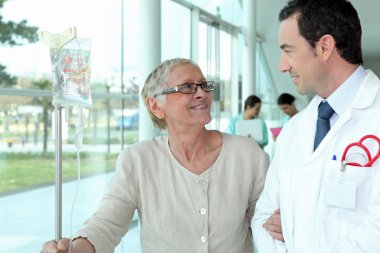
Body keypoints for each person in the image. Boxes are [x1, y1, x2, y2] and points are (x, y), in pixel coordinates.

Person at [41, 58, 268, 253]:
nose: (202, 93)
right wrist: (76, 248)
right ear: (155, 105)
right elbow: (107, 223)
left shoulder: (247, 155)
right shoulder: (138, 160)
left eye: (204, 85)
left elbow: (266, 222)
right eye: (188, 87)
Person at [252, 0, 380, 252]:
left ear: (324, 47)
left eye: (288, 51)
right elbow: (263, 218)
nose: (282, 66)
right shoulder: (294, 129)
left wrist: (294, 227)